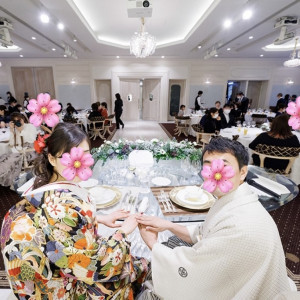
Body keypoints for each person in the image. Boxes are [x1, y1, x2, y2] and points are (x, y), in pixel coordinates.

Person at [1, 122, 148, 299]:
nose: (78, 162)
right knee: (133, 266)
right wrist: (123, 232)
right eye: (69, 157)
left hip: (44, 269)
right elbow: (96, 266)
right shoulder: (64, 206)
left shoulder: (40, 186)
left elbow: (52, 224)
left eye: (84, 155)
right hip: (57, 290)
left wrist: (99, 218)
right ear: (52, 159)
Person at [137, 137, 293, 299]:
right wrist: (168, 225)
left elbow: (196, 270)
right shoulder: (236, 200)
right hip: (239, 271)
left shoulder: (239, 223)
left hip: (243, 289)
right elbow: (203, 232)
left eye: (223, 165)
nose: (214, 173)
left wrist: (153, 244)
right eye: (208, 166)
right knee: (172, 243)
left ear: (243, 172)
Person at [0, 112, 37, 186]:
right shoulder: (15, 128)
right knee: (3, 157)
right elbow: (11, 144)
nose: (18, 122)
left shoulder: (30, 126)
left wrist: (21, 131)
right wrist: (12, 130)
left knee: (10, 159)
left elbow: (31, 140)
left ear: (22, 119)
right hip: (18, 151)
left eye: (19, 120)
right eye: (15, 121)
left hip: (29, 151)